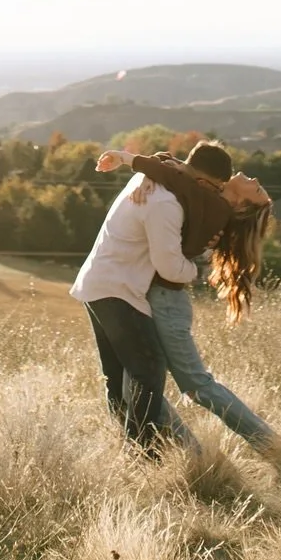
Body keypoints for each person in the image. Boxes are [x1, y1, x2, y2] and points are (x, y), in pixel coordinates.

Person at [95, 140, 277, 450]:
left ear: (241, 206)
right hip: (151, 296)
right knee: (138, 380)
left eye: (257, 192)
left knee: (191, 384)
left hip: (167, 300)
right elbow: (182, 172)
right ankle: (191, 453)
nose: (257, 182)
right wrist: (149, 176)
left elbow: (181, 180)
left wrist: (143, 172)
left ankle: (266, 443)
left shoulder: (214, 209)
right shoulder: (205, 195)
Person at [69, 153, 197, 454]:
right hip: (117, 289)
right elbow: (169, 267)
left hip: (97, 282)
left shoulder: (143, 181)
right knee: (148, 369)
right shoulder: (163, 201)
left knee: (116, 375)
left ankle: (125, 445)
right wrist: (196, 270)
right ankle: (140, 452)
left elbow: (162, 160)